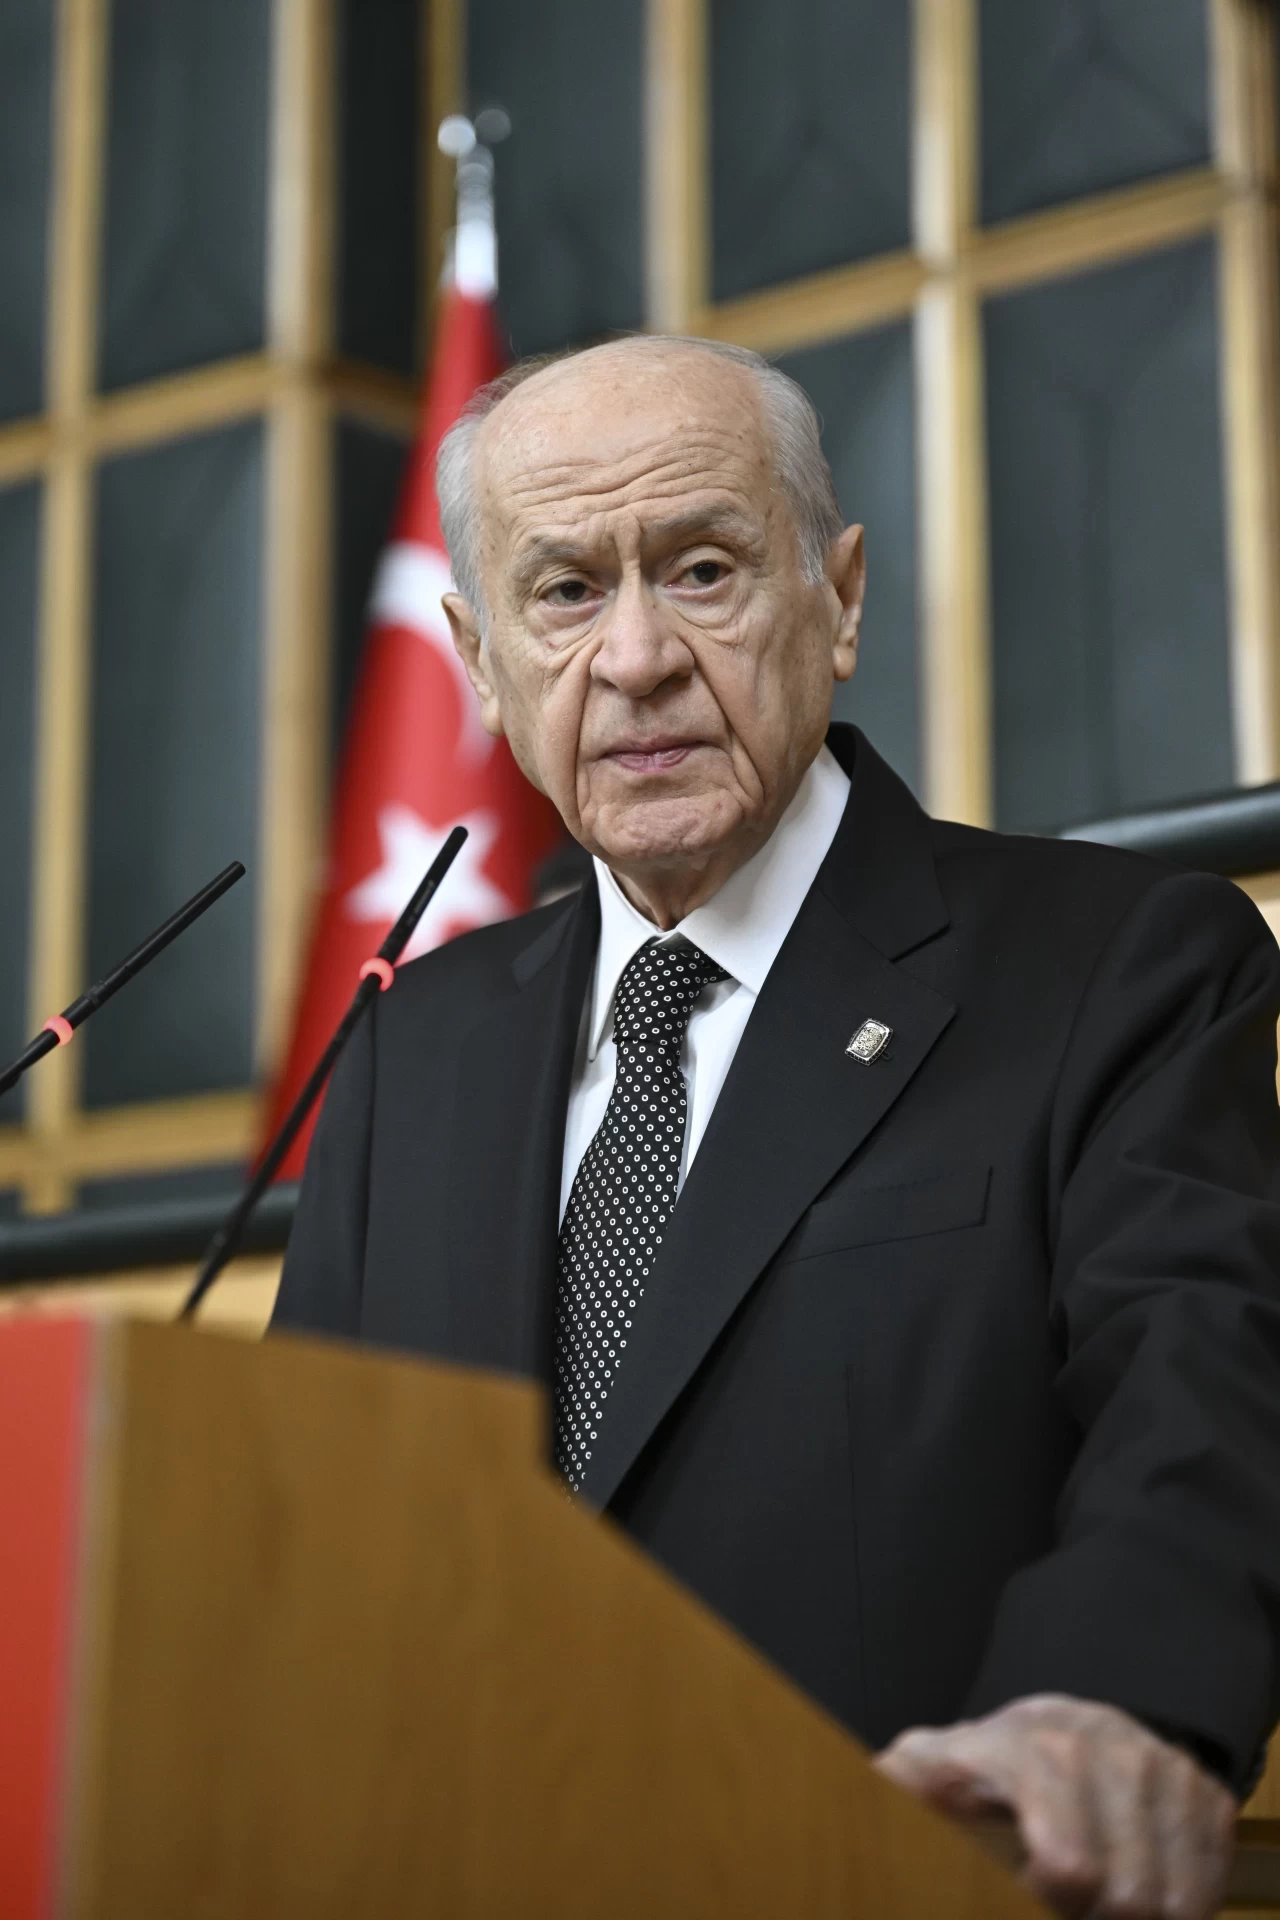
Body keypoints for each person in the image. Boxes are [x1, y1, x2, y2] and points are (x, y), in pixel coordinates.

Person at [274, 335, 1280, 1919]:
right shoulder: (411, 1048)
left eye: (701, 569)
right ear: (479, 661)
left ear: (842, 599)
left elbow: (1203, 1394)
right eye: (564, 593)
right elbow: (300, 1528)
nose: (636, 658)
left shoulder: (1118, 965)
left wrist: (1110, 1702)